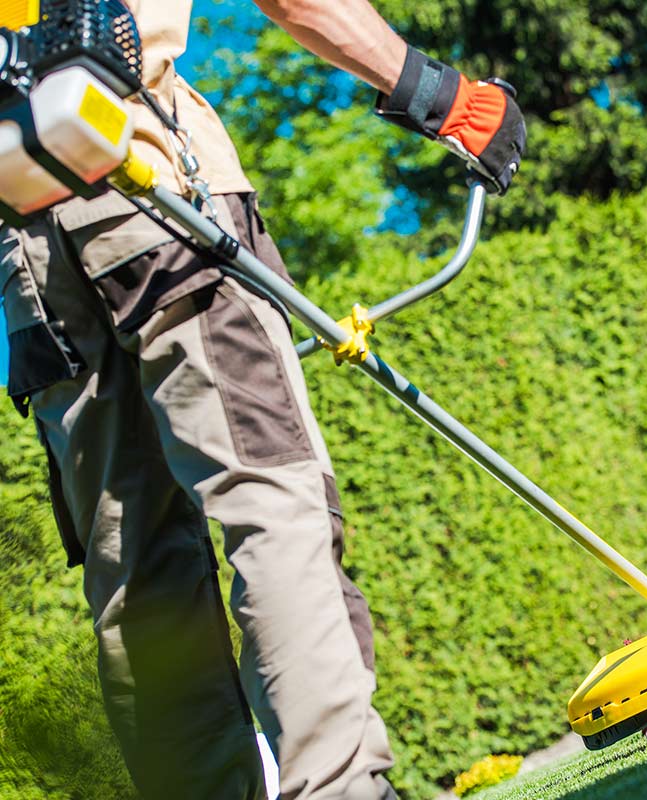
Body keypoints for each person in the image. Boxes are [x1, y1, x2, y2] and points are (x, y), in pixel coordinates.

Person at [0, 1, 525, 798]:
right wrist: (438, 94)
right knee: (269, 497)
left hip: (27, 268)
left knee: (136, 572)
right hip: (149, 183)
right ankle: (340, 788)